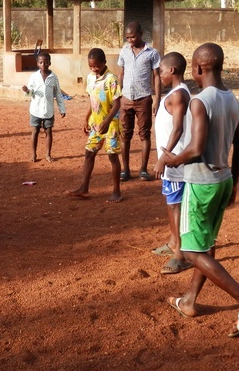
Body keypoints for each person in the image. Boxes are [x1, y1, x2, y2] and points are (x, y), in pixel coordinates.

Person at [163, 43, 239, 337]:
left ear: (198, 68)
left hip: (202, 183)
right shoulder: (233, 100)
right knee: (206, 244)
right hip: (224, 180)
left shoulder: (200, 101)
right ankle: (190, 301)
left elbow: (195, 149)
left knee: (191, 250)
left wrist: (172, 159)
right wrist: (235, 181)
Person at [152, 52, 192, 275]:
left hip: (175, 162)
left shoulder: (178, 96)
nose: (159, 75)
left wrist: (162, 159)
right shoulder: (177, 93)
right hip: (172, 159)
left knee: (174, 204)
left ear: (173, 71)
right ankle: (174, 241)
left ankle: (180, 254)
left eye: (161, 71)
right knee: (172, 202)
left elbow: (178, 128)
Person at [68, 48, 123, 203]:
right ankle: (84, 188)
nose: (94, 69)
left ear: (104, 62)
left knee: (112, 156)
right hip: (95, 124)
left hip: (110, 124)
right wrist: (86, 118)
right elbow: (91, 101)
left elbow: (117, 103)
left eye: (97, 66)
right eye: (91, 66)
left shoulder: (111, 79)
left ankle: (116, 191)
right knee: (89, 153)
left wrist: (107, 121)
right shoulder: (91, 78)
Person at [117, 22, 161, 182]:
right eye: (128, 37)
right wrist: (118, 95)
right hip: (126, 99)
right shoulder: (124, 51)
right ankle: (125, 170)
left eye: (133, 36)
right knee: (125, 135)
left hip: (144, 98)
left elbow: (156, 76)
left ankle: (143, 169)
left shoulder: (152, 53)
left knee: (144, 134)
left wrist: (157, 98)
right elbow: (120, 74)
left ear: (141, 34)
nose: (130, 40)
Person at [21, 52, 66, 162]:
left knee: (48, 131)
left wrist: (62, 108)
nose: (43, 64)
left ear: (49, 63)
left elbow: (58, 94)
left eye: (46, 62)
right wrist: (27, 91)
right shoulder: (34, 77)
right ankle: (33, 154)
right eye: (41, 62)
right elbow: (30, 93)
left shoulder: (53, 77)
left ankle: (48, 155)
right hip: (35, 109)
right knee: (35, 131)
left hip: (48, 110)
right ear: (37, 64)